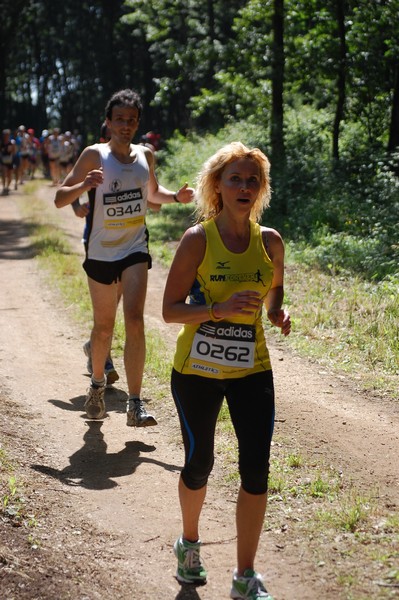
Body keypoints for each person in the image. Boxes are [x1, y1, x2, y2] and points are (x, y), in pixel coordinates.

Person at [162, 141, 291, 599]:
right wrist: (217, 309)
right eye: (234, 178)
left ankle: (244, 576)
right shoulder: (198, 239)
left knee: (256, 470)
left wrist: (277, 314)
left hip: (252, 371)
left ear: (261, 189)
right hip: (196, 370)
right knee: (200, 463)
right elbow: (170, 311)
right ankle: (189, 544)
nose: (244, 186)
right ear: (217, 185)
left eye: (252, 180)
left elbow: (274, 292)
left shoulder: (270, 241)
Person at [55, 88, 193, 427]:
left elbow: (153, 194)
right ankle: (97, 386)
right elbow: (60, 198)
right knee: (103, 328)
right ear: (108, 122)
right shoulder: (94, 155)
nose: (125, 126)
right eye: (119, 120)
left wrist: (176, 196)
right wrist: (82, 185)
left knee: (134, 319)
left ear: (137, 123)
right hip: (102, 252)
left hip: (134, 249)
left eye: (131, 121)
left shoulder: (146, 155)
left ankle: (134, 403)